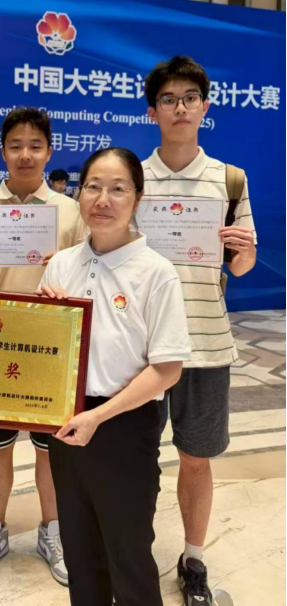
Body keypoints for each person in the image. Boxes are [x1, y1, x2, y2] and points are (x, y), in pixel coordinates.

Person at [37, 147, 191, 606]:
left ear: (137, 198)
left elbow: (166, 369)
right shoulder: (61, 264)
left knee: (128, 554)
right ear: (79, 193)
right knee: (79, 551)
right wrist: (41, 317)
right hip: (66, 420)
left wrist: (99, 417)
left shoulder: (156, 273)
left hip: (125, 426)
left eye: (118, 189)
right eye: (93, 187)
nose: (103, 199)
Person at [0, 108, 86, 586]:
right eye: (15, 145)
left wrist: (69, 264)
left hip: (53, 345)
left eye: (35, 145)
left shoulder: (72, 211)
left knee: (52, 450)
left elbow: (95, 274)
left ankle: (53, 533)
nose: (25, 154)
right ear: (3, 151)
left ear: (49, 151)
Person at [143, 56, 257, 605]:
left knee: (196, 456)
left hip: (207, 344)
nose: (180, 107)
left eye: (190, 97)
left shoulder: (230, 178)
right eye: (168, 99)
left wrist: (244, 251)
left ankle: (193, 560)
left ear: (205, 107)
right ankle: (131, 553)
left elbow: (241, 267)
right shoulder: (132, 176)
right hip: (140, 349)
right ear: (152, 111)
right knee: (135, 460)